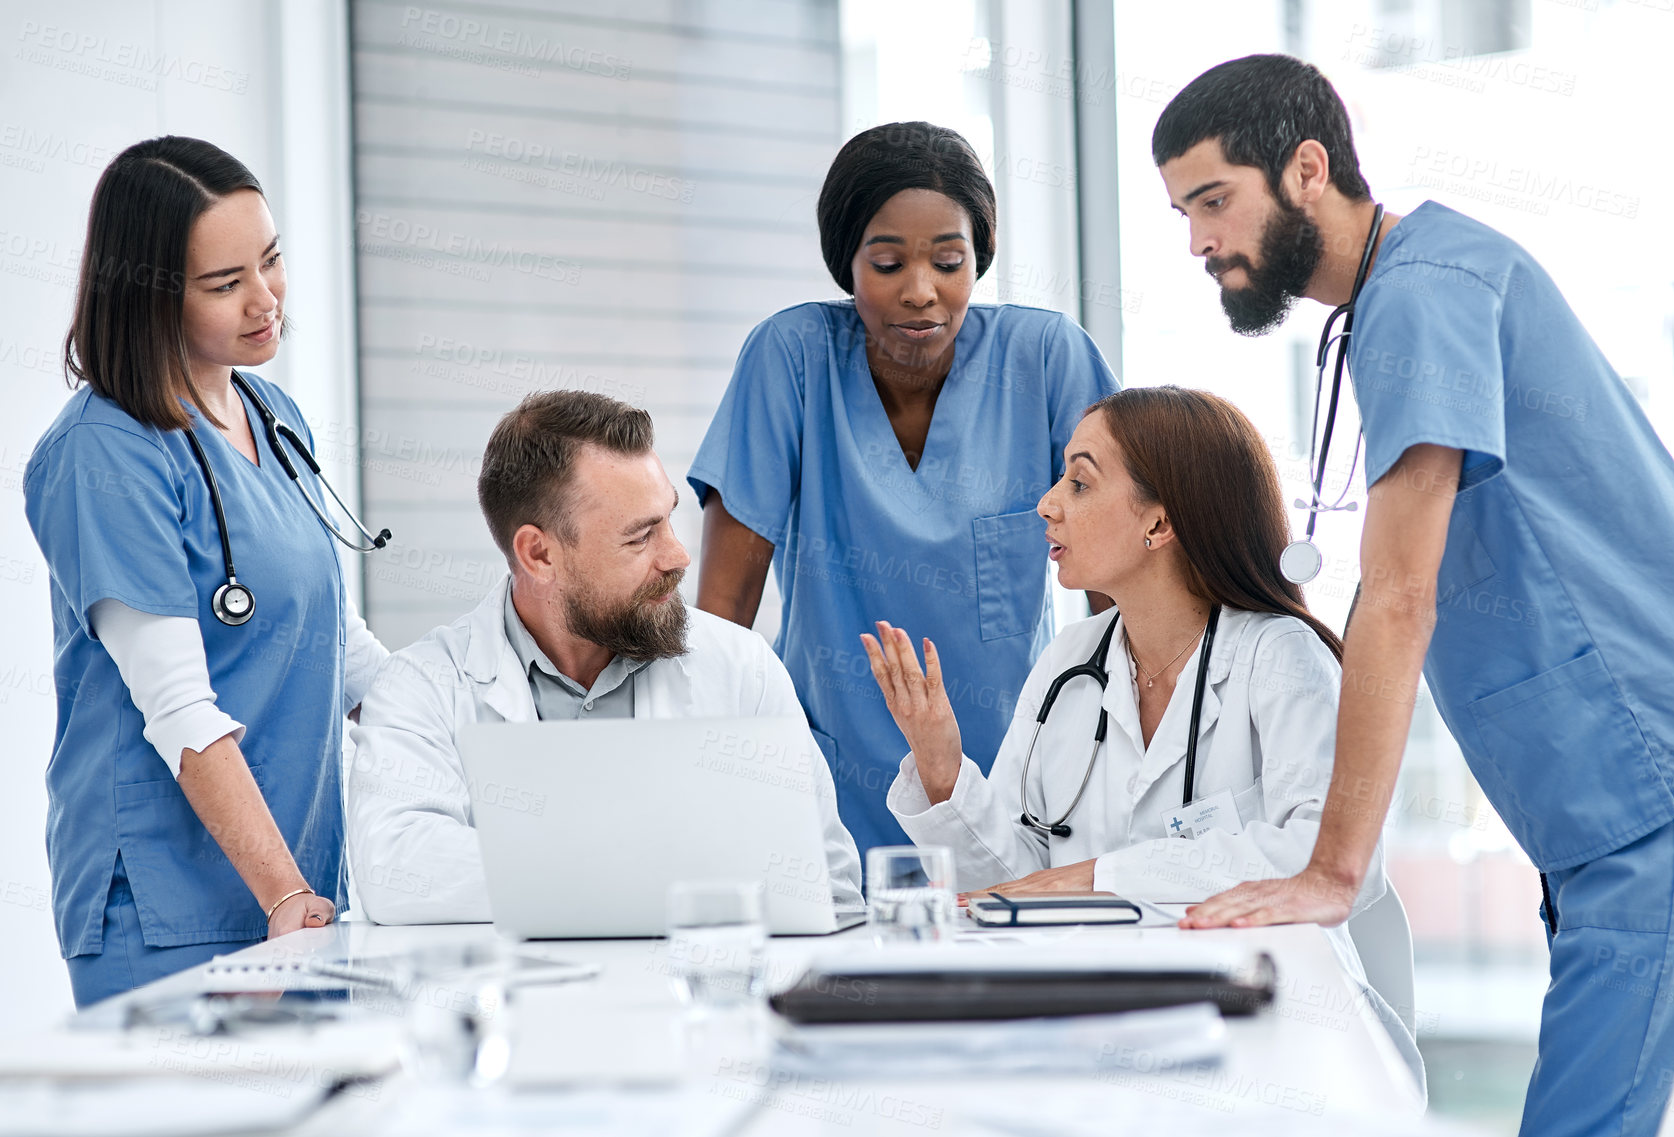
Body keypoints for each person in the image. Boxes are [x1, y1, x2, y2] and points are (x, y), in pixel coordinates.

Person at [1153, 55, 1674, 1135]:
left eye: (1210, 202)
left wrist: (1331, 871)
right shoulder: (1404, 292)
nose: (1196, 241)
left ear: (1303, 169)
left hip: (1653, 762)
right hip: (1613, 778)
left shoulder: (1425, 293)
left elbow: (1395, 596)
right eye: (1182, 213)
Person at [863, 386, 1422, 1087]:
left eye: (1078, 480)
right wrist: (941, 766)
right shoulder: (1071, 659)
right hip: (1094, 1022)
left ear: (1158, 523)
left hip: (1266, 1027)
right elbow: (1011, 885)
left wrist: (1100, 878)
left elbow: (1325, 858)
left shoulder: (1279, 657)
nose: (1046, 502)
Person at [689, 121, 1120, 858]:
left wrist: (1119, 749)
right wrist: (705, 788)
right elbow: (724, 616)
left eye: (949, 262)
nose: (921, 293)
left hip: (1014, 771)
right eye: (886, 263)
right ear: (845, 264)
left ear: (978, 258)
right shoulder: (791, 359)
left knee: (1009, 944)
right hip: (831, 775)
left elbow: (1118, 584)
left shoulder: (1045, 358)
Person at [24, 137, 388, 1007]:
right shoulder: (102, 454)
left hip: (290, 893)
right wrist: (285, 893)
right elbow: (179, 708)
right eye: (226, 285)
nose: (266, 301)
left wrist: (475, 724)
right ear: (148, 296)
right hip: (167, 908)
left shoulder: (269, 409)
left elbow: (340, 648)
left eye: (270, 262)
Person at [347, 390, 861, 923]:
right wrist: (675, 868)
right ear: (539, 554)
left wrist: (580, 870)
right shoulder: (423, 685)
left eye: (667, 520)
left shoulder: (739, 667)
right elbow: (396, 870)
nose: (678, 556)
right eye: (641, 538)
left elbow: (828, 885)